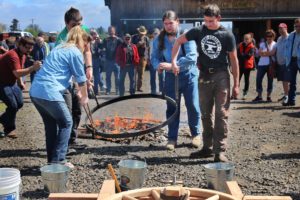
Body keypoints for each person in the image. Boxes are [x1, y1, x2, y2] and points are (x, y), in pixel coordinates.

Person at [172, 4, 239, 162]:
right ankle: (207, 148)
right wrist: (174, 61)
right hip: (203, 76)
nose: (208, 24)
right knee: (205, 114)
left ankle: (219, 151)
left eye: (211, 21)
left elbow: (234, 61)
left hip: (221, 75)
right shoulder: (199, 31)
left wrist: (236, 84)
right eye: (206, 21)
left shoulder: (227, 35)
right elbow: (178, 41)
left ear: (219, 18)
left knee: (221, 114)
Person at [30, 26, 89, 166]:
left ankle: (52, 161)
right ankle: (59, 160)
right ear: (81, 39)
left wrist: (80, 88)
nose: (85, 46)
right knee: (67, 123)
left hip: (36, 91)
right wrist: (85, 96)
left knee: (51, 126)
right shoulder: (74, 51)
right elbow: (81, 78)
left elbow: (63, 73)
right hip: (49, 91)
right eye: (85, 42)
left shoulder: (59, 48)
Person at [151, 10, 201, 151]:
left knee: (193, 106)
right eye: (166, 24)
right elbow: (154, 57)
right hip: (171, 78)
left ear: (177, 21)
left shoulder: (186, 36)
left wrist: (173, 65)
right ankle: (172, 138)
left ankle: (196, 135)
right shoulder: (159, 39)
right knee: (172, 107)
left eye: (171, 23)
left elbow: (192, 57)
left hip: (189, 75)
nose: (168, 26)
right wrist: (158, 66)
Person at [56, 7, 93, 147]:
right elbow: (65, 66)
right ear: (66, 24)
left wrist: (89, 68)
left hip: (77, 72)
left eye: (79, 24)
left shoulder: (84, 29)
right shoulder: (62, 38)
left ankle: (72, 140)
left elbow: (87, 51)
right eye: (73, 25)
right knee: (68, 110)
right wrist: (79, 84)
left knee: (77, 109)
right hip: (65, 78)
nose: (77, 28)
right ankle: (63, 144)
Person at [0, 36, 41, 138]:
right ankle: (10, 129)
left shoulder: (22, 54)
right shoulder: (12, 55)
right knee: (13, 106)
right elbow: (17, 73)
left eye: (31, 48)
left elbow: (18, 70)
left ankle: (3, 119)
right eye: (27, 47)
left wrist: (20, 82)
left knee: (20, 103)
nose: (30, 50)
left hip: (12, 82)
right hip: (2, 83)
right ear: (20, 45)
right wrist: (33, 68)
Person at [252, 29, 276, 102]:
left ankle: (268, 96)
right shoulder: (262, 44)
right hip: (261, 64)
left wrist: (264, 53)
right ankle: (259, 96)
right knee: (258, 80)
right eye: (267, 36)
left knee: (270, 81)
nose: (269, 37)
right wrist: (268, 53)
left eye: (270, 36)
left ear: (273, 36)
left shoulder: (275, 44)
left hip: (270, 65)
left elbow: (272, 53)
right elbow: (259, 53)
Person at [283, 18, 300, 106]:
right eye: (295, 26)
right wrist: (286, 58)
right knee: (292, 82)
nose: (297, 27)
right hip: (292, 60)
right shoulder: (291, 35)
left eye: (298, 26)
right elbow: (287, 47)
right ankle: (291, 100)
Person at [102, 26, 122, 95]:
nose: (111, 32)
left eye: (112, 30)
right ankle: (108, 90)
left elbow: (124, 45)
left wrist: (117, 38)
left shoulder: (118, 40)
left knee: (118, 77)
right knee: (108, 77)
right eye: (109, 30)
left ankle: (117, 90)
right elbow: (102, 47)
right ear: (108, 31)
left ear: (114, 31)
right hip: (108, 61)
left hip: (116, 61)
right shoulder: (105, 40)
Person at [275, 23, 290, 104]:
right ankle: (286, 94)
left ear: (286, 28)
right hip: (279, 63)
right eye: (279, 28)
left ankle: (288, 96)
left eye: (282, 28)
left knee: (286, 80)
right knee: (283, 80)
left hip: (287, 62)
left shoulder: (290, 37)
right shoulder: (279, 38)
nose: (280, 30)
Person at [237, 33, 255, 99]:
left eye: (247, 39)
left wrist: (242, 55)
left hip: (247, 66)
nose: (246, 40)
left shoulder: (252, 47)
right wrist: (243, 55)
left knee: (246, 80)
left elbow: (249, 56)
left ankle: (245, 93)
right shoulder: (240, 45)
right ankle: (235, 92)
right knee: (237, 79)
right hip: (240, 65)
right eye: (245, 39)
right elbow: (237, 54)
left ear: (250, 39)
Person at [132, 26, 150, 92]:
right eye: (141, 33)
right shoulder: (134, 37)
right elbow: (131, 47)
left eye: (143, 33)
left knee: (141, 74)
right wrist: (137, 45)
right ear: (138, 32)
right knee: (134, 73)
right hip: (135, 57)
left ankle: (139, 87)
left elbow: (148, 49)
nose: (142, 34)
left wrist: (148, 58)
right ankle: (132, 87)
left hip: (143, 58)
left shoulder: (146, 38)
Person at [90, 29, 106, 95]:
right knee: (91, 76)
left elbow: (103, 47)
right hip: (90, 60)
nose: (93, 35)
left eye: (94, 33)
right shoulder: (88, 41)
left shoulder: (98, 41)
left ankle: (97, 90)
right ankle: (93, 90)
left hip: (97, 60)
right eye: (92, 33)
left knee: (97, 76)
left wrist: (99, 41)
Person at [149, 28, 164, 94]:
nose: (156, 35)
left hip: (160, 61)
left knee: (161, 77)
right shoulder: (150, 42)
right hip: (152, 61)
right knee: (152, 77)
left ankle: (161, 90)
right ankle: (153, 91)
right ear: (152, 34)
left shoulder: (162, 42)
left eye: (157, 33)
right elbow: (147, 51)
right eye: (154, 33)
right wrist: (147, 59)